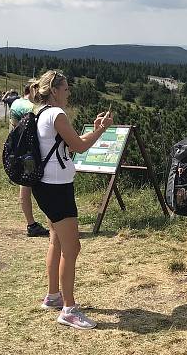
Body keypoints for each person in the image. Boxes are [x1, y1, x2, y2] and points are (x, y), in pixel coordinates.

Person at [29, 70, 113, 330]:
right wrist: (102, 130)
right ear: (54, 90)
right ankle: (69, 308)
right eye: (66, 89)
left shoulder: (41, 113)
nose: (69, 93)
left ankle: (53, 295)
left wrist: (96, 128)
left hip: (45, 186)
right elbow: (78, 146)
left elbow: (68, 144)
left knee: (56, 240)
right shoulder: (56, 114)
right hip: (57, 188)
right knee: (72, 248)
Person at [9, 82, 50, 238]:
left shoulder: (16, 103)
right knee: (45, 189)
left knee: (24, 189)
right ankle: (54, 223)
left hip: (18, 151)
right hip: (34, 154)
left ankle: (31, 223)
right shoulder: (33, 107)